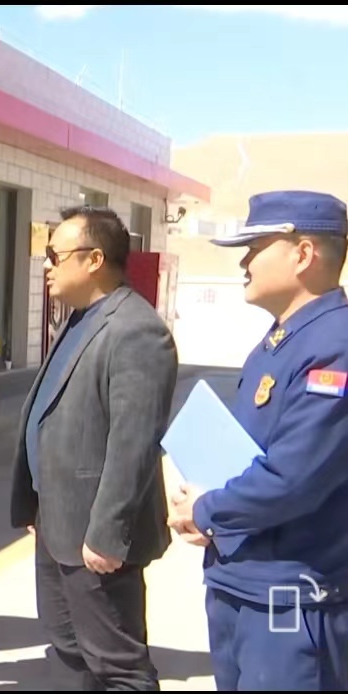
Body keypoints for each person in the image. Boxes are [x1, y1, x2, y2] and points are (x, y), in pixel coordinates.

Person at [168, 190, 348, 691]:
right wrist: (211, 509)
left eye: (255, 248)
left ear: (303, 253)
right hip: (243, 583)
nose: (243, 262)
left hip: (290, 599)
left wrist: (207, 510)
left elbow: (293, 478)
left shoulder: (334, 345)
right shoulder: (281, 339)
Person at [11, 205, 178, 691]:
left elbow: (134, 445)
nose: (46, 266)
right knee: (68, 649)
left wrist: (107, 533)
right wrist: (36, 500)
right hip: (56, 523)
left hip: (95, 538)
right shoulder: (80, 320)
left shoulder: (136, 330)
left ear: (94, 259)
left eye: (55, 255)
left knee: (118, 667)